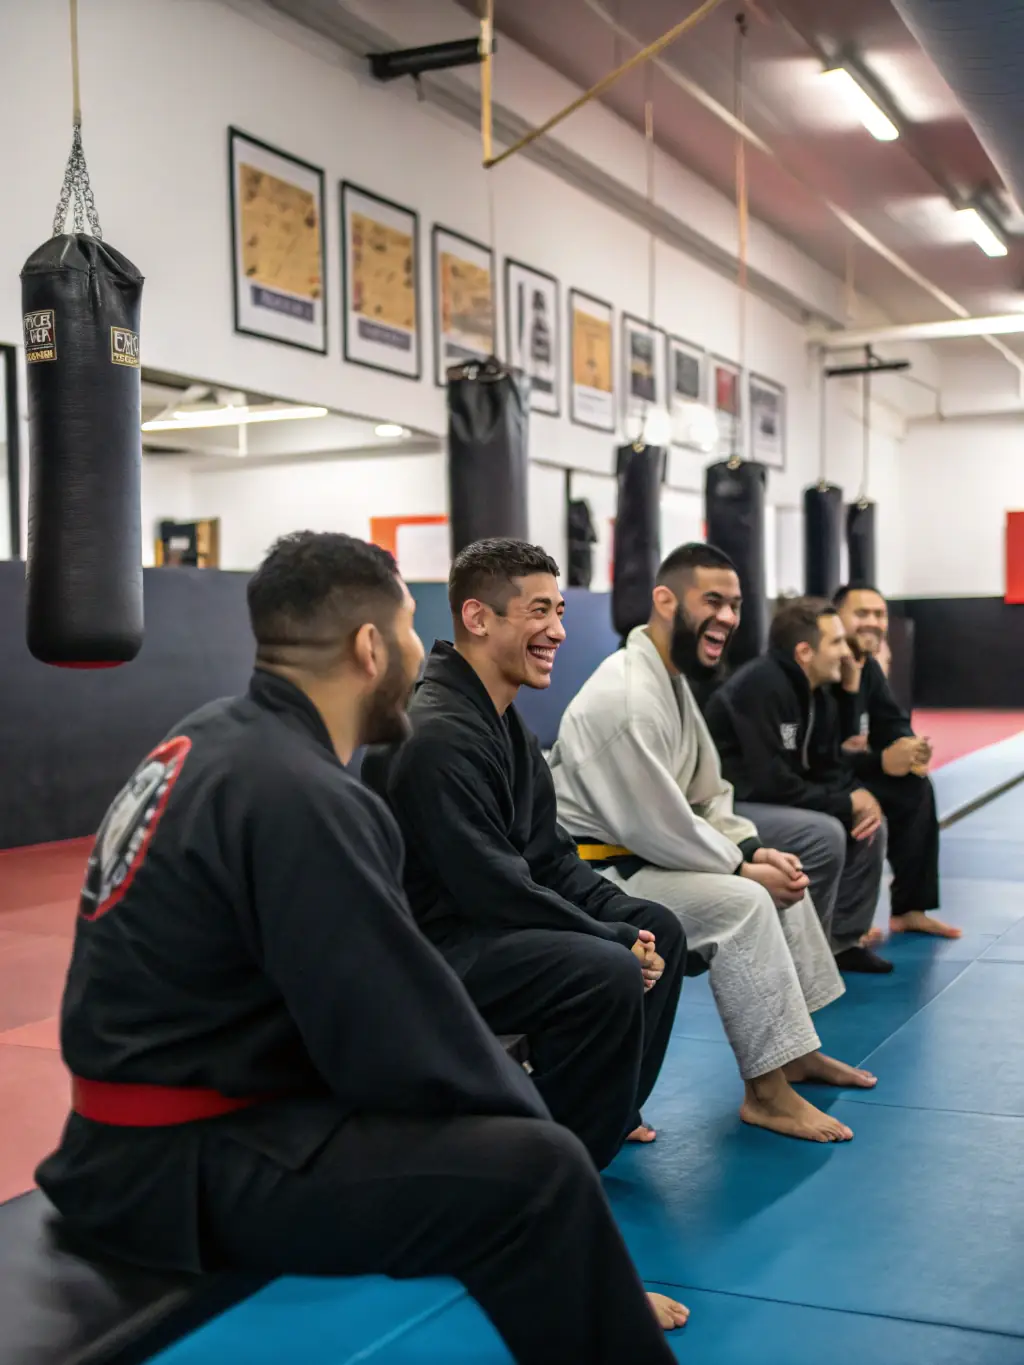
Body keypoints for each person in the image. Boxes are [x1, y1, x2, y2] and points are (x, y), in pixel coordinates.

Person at [35, 531, 685, 1363]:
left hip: (120, 1144)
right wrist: (542, 1133)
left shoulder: (208, 739)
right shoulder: (299, 792)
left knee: (522, 1134)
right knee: (542, 1172)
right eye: (414, 629)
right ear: (370, 646)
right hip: (174, 1172)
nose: (424, 652)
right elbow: (397, 1039)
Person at [362, 537, 687, 1170]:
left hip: (483, 928)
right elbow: (494, 887)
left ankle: (606, 1116)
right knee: (606, 966)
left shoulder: (503, 721)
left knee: (661, 929)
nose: (559, 631)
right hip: (428, 951)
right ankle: (553, 1163)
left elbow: (552, 859)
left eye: (560, 611)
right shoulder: (436, 735)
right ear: (479, 618)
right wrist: (611, 937)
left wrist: (627, 920)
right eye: (540, 612)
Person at [549, 544, 875, 1145]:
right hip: (602, 876)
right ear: (665, 601)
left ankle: (796, 1053)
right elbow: (658, 824)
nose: (728, 616)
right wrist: (741, 869)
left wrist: (752, 850)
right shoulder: (626, 699)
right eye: (713, 602)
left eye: (736, 604)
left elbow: (707, 791)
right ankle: (767, 1094)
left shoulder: (668, 682)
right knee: (745, 903)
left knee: (784, 874)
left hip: (650, 854)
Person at [705, 597, 892, 974]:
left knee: (870, 824)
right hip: (729, 807)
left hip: (775, 797)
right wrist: (841, 804)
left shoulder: (817, 692)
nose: (846, 651)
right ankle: (803, 957)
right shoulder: (762, 685)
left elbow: (829, 765)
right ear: (805, 651)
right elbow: (767, 782)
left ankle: (842, 942)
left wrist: (857, 797)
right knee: (825, 835)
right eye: (837, 642)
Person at [834, 583, 959, 939]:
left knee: (915, 787)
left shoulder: (868, 668)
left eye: (879, 614)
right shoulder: (826, 665)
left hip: (847, 765)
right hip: (813, 774)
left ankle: (909, 909)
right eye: (862, 614)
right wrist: (880, 761)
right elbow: (821, 755)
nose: (873, 622)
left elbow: (890, 720)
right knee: (859, 808)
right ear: (837, 618)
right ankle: (843, 922)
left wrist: (910, 748)